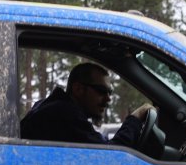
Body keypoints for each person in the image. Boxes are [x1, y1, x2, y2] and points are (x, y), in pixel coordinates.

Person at [20, 62, 154, 148]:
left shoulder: (56, 107)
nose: (108, 99)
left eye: (110, 92)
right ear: (78, 89)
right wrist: (135, 118)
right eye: (101, 91)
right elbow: (110, 155)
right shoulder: (64, 115)